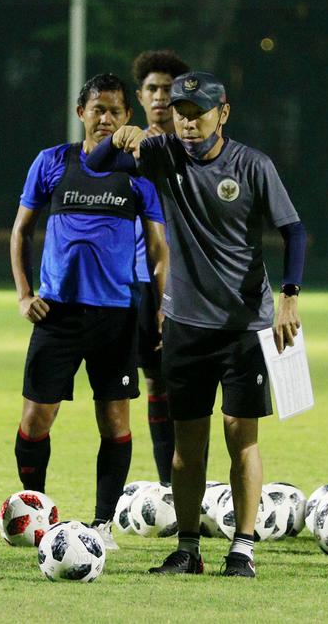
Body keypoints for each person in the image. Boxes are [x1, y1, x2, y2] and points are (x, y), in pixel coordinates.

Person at [90, 71, 306, 579]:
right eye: (180, 112)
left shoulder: (252, 165)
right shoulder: (161, 154)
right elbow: (96, 165)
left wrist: (289, 299)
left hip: (244, 328)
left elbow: (293, 231)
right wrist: (119, 137)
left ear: (222, 113)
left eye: (198, 112)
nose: (187, 122)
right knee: (188, 443)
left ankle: (243, 548)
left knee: (242, 437)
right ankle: (188, 549)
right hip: (185, 324)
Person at [10, 73, 167, 551]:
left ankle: (102, 524)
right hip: (56, 315)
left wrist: (159, 309)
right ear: (81, 112)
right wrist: (23, 293)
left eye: (115, 111)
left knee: (115, 421)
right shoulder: (52, 162)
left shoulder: (138, 175)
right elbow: (21, 232)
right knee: (36, 420)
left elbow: (159, 251)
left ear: (127, 119)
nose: (105, 118)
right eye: (97, 108)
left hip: (116, 315)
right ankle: (38, 513)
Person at [130, 49, 189, 482]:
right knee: (153, 381)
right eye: (152, 88)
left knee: (187, 385)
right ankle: (168, 486)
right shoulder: (129, 150)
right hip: (138, 279)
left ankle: (189, 481)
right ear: (140, 94)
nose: (160, 97)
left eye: (169, 90)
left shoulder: (194, 151)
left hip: (189, 278)